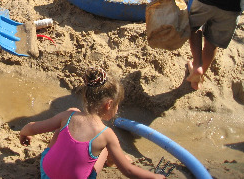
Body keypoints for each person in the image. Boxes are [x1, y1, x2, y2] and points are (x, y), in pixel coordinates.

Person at [19, 67, 165, 179]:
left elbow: (31, 128)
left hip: (46, 174)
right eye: (117, 104)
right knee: (105, 148)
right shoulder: (106, 134)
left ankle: (112, 157)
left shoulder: (68, 116)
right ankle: (111, 158)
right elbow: (128, 170)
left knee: (63, 126)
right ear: (109, 104)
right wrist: (155, 177)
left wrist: (24, 134)